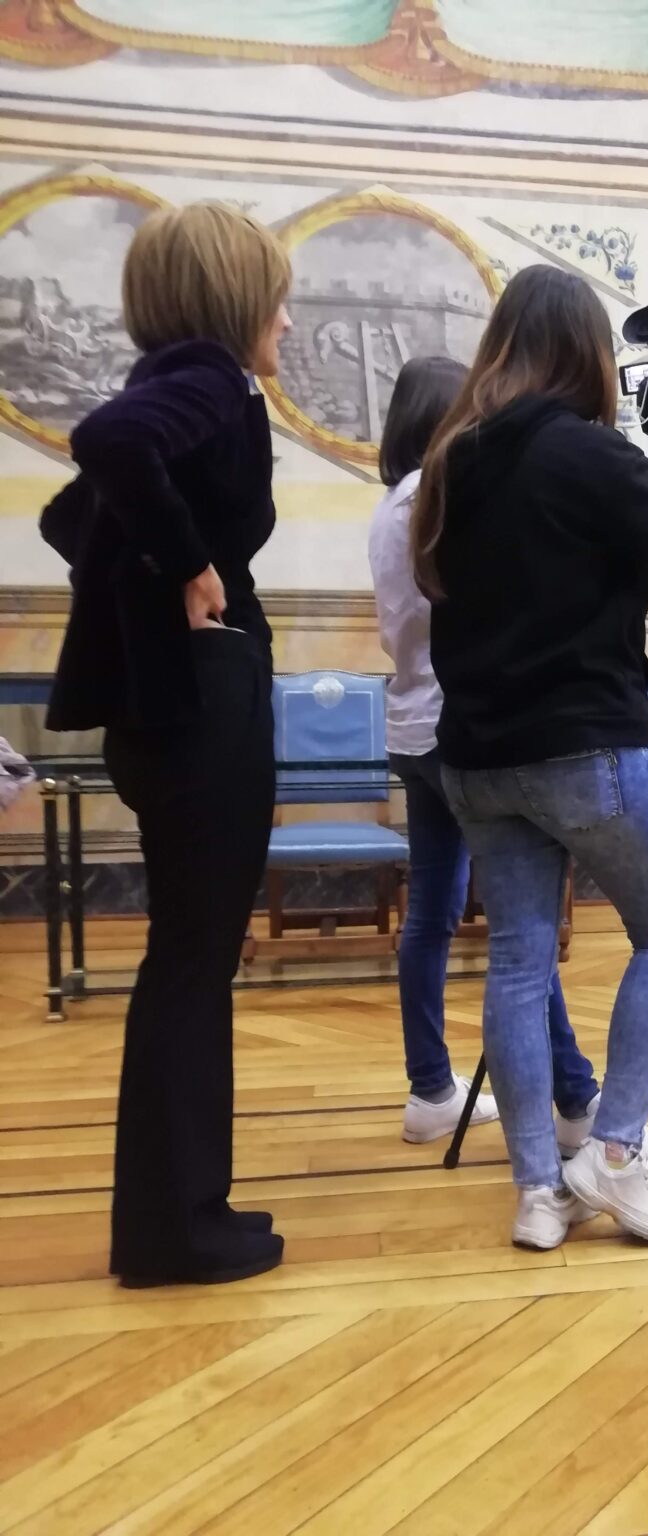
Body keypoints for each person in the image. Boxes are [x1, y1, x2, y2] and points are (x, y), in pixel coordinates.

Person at [411, 265, 648, 1250]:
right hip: (585, 745)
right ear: (587, 353)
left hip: (476, 757)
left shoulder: (454, 456)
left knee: (519, 961)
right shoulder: (587, 452)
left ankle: (536, 1193)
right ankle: (613, 1152)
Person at [368, 357, 648, 1238]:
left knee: (493, 941)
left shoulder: (406, 499)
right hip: (500, 725)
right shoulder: (458, 483)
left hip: (437, 731)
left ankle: (534, 1158)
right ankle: (598, 1134)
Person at [40, 203, 293, 1287]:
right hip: (201, 710)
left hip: (168, 712)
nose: (288, 320)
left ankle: (186, 1210)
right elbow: (106, 448)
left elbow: (68, 518)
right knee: (194, 964)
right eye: (277, 299)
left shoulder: (173, 382)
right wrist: (188, 566)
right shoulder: (210, 379)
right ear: (234, 301)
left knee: (186, 961)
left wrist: (143, 582)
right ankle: (176, 1230)